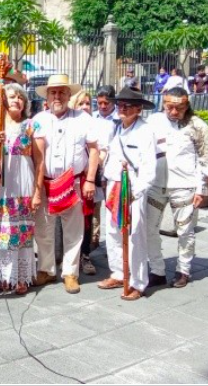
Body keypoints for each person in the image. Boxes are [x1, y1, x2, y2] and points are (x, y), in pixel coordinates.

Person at [31, 74, 99, 294]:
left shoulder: (83, 118)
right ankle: (46, 269)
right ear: (47, 96)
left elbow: (94, 150)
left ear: (69, 95)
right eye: (53, 92)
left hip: (74, 183)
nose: (57, 96)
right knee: (43, 229)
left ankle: (70, 272)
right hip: (46, 183)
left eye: (61, 92)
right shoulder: (38, 119)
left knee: (74, 230)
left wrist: (90, 180)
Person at [146, 87, 208, 288]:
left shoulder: (197, 126)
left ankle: (183, 270)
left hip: (185, 186)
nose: (174, 112)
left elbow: (206, 158)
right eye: (170, 107)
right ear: (164, 104)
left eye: (179, 108)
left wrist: (203, 189)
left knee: (185, 231)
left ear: (187, 105)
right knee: (148, 229)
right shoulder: (153, 122)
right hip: (156, 185)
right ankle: (157, 270)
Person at [98, 87, 156, 300]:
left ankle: (138, 282)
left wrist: (136, 192)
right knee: (112, 231)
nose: (122, 108)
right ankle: (118, 273)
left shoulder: (145, 131)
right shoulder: (116, 128)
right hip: (114, 185)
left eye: (128, 105)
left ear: (139, 109)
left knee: (134, 236)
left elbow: (149, 167)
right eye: (120, 104)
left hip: (133, 187)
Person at [0, 83, 42, 295]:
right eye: (12, 96)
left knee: (22, 231)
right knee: (3, 230)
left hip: (24, 182)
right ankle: (4, 275)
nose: (17, 100)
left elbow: (39, 160)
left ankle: (20, 276)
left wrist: (38, 191)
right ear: (3, 100)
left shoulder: (31, 125)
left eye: (20, 97)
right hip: (3, 184)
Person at [68, 90, 114, 274]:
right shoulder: (69, 124)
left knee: (87, 218)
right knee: (69, 220)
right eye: (81, 104)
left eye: (88, 103)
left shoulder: (97, 125)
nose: (85, 107)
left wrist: (93, 165)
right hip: (70, 179)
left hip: (89, 179)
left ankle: (85, 255)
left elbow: (102, 150)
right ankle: (69, 255)